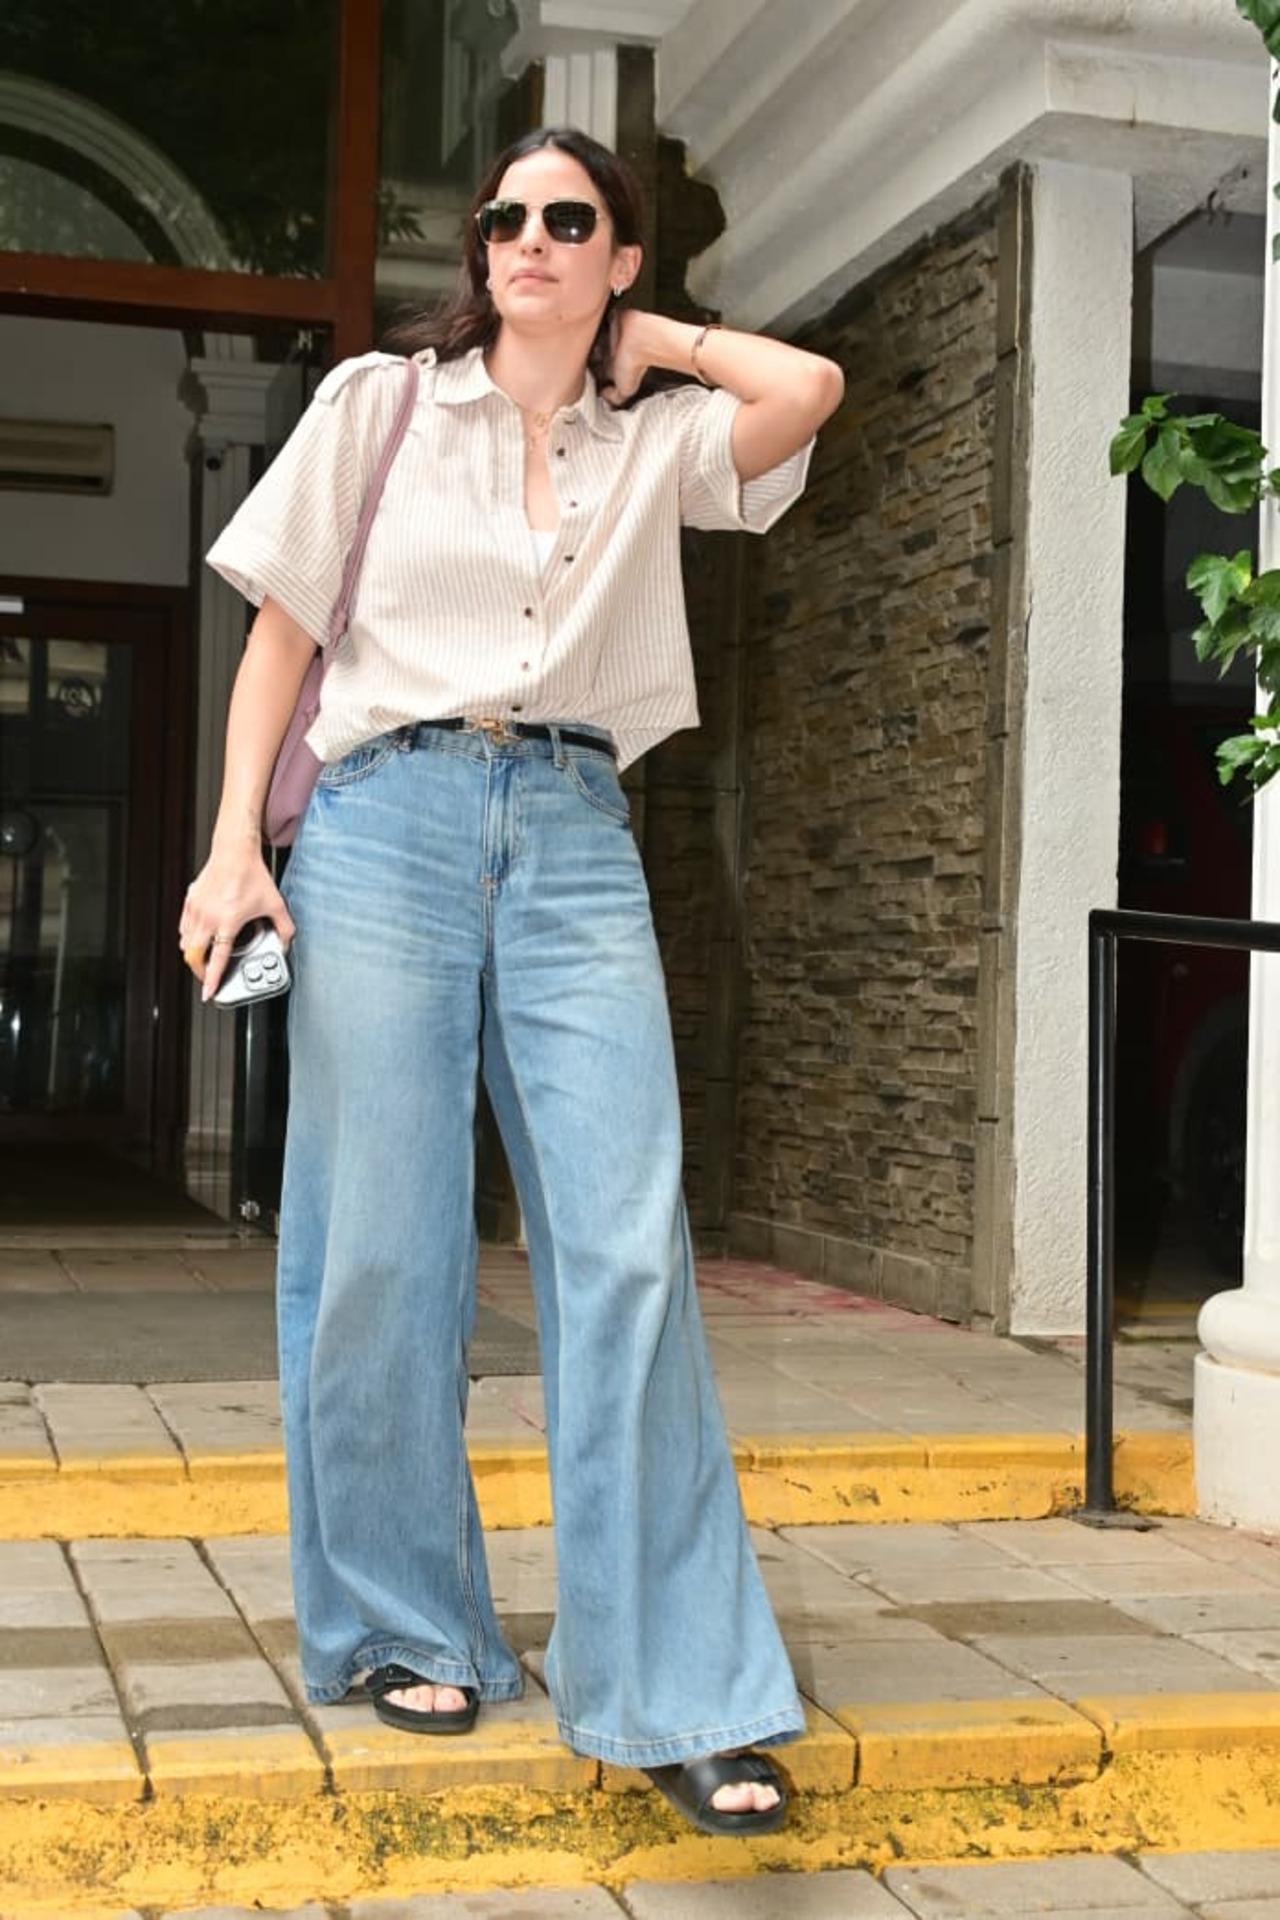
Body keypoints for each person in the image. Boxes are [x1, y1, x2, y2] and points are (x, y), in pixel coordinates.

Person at [181, 124, 843, 1838]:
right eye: (505, 219)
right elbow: (284, 630)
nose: (527, 242)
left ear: (620, 254)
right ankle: (405, 1621)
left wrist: (661, 341)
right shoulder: (380, 407)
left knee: (626, 1247)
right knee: (381, 1240)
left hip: (570, 825)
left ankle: (679, 1690)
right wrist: (233, 846)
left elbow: (812, 387)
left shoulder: (665, 435)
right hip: (387, 817)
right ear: (474, 248)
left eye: (570, 221)